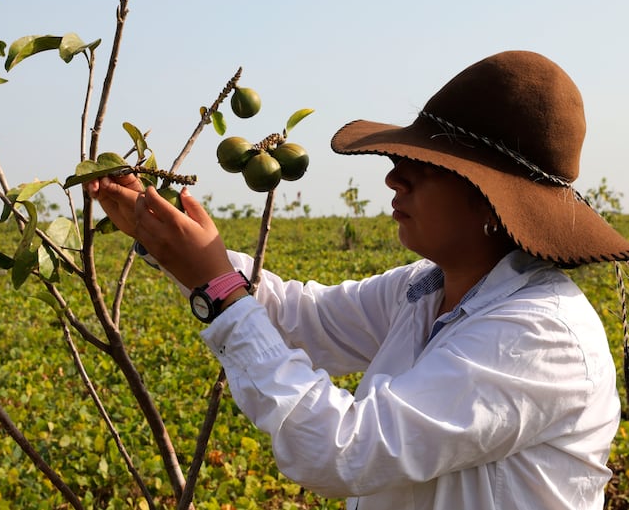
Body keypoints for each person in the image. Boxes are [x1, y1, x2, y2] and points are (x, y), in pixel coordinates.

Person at [87, 50, 629, 509]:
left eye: (426, 163)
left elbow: (346, 450)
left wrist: (220, 292)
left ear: (491, 198)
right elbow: (305, 320)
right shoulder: (426, 288)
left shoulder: (538, 334)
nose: (395, 175)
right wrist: (167, 244)